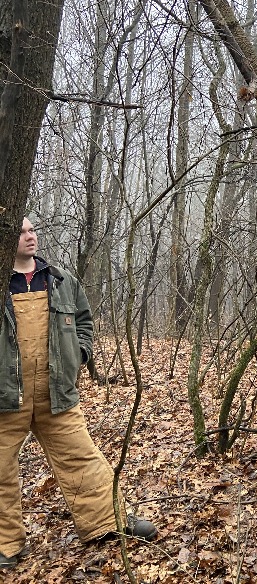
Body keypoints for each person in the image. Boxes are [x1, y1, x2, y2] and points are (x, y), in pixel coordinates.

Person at [0, 217, 156, 570]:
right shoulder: (0, 283)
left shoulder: (60, 280)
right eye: (21, 231)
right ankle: (6, 545)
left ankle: (109, 522)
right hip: (5, 396)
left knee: (82, 456)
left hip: (57, 393)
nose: (30, 236)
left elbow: (84, 321)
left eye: (31, 230)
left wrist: (80, 354)